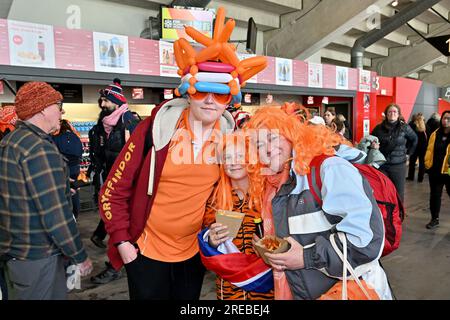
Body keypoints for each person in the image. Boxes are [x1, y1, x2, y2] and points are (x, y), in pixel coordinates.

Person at [97, 7, 265, 300]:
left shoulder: (230, 140)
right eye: (202, 91)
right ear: (189, 91)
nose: (210, 101)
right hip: (145, 251)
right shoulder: (154, 129)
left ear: (231, 99)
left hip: (193, 253)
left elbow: (234, 191)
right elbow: (113, 191)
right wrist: (123, 242)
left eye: (221, 94)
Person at [245, 107, 391, 300]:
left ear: (291, 136)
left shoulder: (329, 169)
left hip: (352, 291)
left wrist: (306, 257)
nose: (268, 149)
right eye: (258, 145)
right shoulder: (273, 184)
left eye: (272, 138)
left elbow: (364, 242)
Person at [0, 82, 92, 300]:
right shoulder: (40, 149)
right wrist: (79, 255)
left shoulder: (10, 142)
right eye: (58, 106)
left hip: (14, 253)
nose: (62, 112)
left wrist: (59, 186)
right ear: (41, 108)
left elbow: (16, 192)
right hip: (40, 257)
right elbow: (55, 216)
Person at [202, 132, 274, 300]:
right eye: (227, 157)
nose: (233, 163)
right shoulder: (215, 199)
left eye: (240, 156)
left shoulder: (269, 195)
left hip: (266, 289)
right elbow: (209, 250)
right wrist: (212, 241)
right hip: (228, 291)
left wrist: (270, 247)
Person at [90, 78, 138, 285]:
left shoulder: (129, 122)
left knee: (122, 224)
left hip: (127, 182)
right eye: (101, 101)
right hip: (110, 179)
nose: (102, 105)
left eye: (105, 101)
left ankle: (115, 266)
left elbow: (138, 154)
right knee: (113, 220)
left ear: (116, 102)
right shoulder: (103, 125)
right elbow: (100, 152)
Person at [371, 104, 417, 201]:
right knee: (382, 191)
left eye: (395, 112)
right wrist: (373, 146)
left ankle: (399, 215)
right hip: (382, 164)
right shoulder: (378, 128)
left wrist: (408, 154)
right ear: (386, 114)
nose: (392, 114)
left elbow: (414, 139)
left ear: (398, 114)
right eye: (390, 112)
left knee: (398, 192)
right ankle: (386, 214)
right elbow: (371, 140)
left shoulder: (404, 128)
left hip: (398, 166)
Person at [424, 110, 450, 229]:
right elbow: (429, 150)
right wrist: (427, 164)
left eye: (449, 119)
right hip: (435, 171)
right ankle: (434, 219)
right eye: (444, 118)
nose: (446, 121)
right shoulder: (435, 133)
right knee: (435, 196)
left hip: (449, 171)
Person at [52, 119, 83, 218]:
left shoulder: (56, 138)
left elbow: (55, 154)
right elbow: (80, 153)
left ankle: (66, 215)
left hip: (63, 168)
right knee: (75, 189)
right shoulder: (77, 138)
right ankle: (76, 214)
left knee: (64, 190)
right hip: (75, 168)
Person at [407, 113, 428, 182]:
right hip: (423, 147)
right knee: (422, 162)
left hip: (414, 146)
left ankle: (411, 177)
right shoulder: (426, 126)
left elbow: (409, 136)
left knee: (412, 162)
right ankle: (420, 178)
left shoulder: (412, 125)